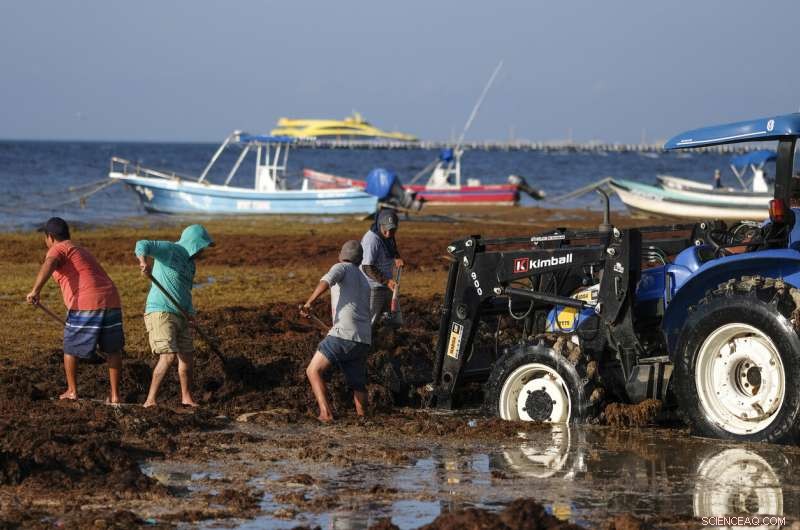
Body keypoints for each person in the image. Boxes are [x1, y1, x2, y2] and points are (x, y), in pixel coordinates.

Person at [25, 217, 124, 403]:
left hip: (87, 301)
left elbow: (49, 264)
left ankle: (72, 391)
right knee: (113, 350)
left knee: (70, 347)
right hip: (111, 298)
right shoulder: (79, 249)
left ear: (50, 237)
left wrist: (35, 290)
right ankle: (115, 395)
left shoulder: (57, 248)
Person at [135, 224, 214, 408]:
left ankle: (186, 398)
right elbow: (142, 243)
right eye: (202, 247)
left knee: (187, 357)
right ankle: (150, 400)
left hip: (182, 314)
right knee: (168, 356)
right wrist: (143, 261)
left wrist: (191, 314)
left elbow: (186, 291)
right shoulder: (170, 249)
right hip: (161, 311)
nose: (203, 251)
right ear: (194, 243)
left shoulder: (191, 264)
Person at [301, 240, 371, 422]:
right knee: (358, 385)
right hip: (363, 339)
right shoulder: (364, 280)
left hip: (344, 335)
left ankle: (326, 413)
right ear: (360, 260)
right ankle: (363, 418)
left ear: (341, 256)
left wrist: (310, 302)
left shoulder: (341, 267)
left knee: (313, 371)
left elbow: (326, 280)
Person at [360, 209, 404, 326]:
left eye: (392, 230)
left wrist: (396, 257)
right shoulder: (371, 240)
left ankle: (390, 342)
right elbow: (367, 267)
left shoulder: (388, 235)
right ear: (380, 225)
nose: (389, 234)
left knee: (395, 321)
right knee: (370, 323)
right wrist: (386, 281)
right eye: (386, 230)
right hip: (373, 287)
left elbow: (392, 247)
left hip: (386, 285)